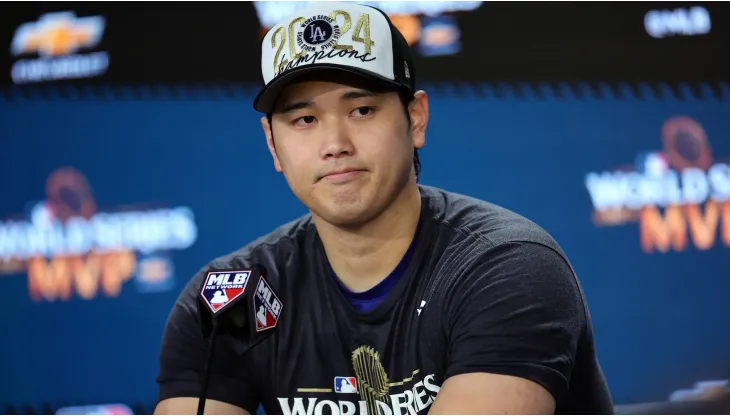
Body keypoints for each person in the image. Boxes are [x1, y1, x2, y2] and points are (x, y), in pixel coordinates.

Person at [154, 2, 613, 414]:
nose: (335, 144)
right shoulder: (233, 297)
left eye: (362, 111)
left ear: (415, 119)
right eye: (305, 120)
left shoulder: (506, 267)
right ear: (273, 144)